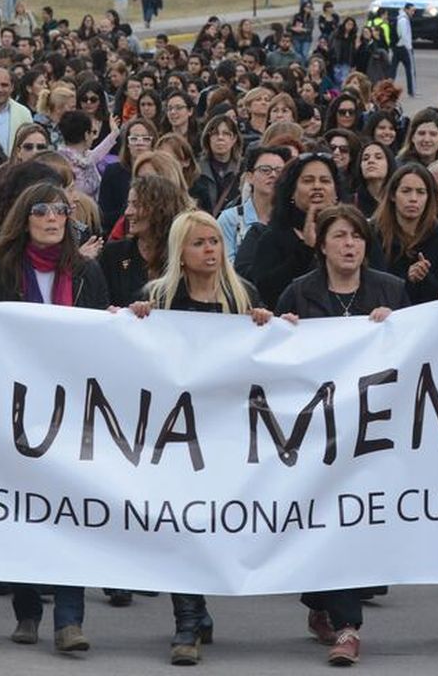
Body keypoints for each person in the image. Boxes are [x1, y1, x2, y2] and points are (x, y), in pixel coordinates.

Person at [0, 182, 109, 653]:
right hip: (16, 412)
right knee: (25, 515)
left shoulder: (88, 273)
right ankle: (27, 609)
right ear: (24, 219)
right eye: (42, 210)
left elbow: (108, 337)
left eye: (60, 211)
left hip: (74, 414)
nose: (52, 218)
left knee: (71, 514)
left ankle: (69, 619)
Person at [127, 209, 269, 663]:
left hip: (226, 432)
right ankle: (186, 621)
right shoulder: (159, 297)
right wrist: (135, 319)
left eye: (214, 241)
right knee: (180, 523)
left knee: (209, 525)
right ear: (181, 254)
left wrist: (266, 326)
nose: (211, 250)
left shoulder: (242, 297)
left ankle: (199, 606)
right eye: (199, 243)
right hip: (174, 434)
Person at [274, 204, 409, 667]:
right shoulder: (299, 293)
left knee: (348, 522)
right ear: (322, 244)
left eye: (357, 236)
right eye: (340, 236)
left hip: (372, 433)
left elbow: (419, 352)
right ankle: (324, 604)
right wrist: (281, 331)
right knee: (321, 521)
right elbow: (273, 362)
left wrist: (400, 327)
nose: (350, 244)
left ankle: (348, 626)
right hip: (317, 434)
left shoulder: (391, 290)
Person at [235, 151, 342, 309]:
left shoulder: (357, 234)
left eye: (325, 181)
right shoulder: (268, 237)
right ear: (291, 191)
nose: (317, 186)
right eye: (308, 181)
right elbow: (266, 293)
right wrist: (306, 250)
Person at [368, 164, 438, 304]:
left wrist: (425, 278)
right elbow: (369, 284)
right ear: (393, 195)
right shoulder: (373, 234)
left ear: (429, 197)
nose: (413, 198)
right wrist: (406, 279)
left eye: (421, 192)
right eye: (406, 191)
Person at [100, 174, 191, 306]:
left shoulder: (183, 256)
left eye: (136, 205)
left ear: (161, 209)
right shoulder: (113, 254)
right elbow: (100, 304)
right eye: (128, 204)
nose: (127, 212)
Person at [217, 146, 287, 260]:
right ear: (250, 177)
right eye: (265, 170)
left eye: (279, 171)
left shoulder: (291, 219)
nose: (273, 175)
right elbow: (226, 266)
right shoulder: (230, 219)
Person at [392, 3, 416, 96]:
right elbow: (404, 35)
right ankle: (412, 90)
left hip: (398, 47)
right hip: (404, 47)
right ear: (406, 10)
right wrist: (409, 47)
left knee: (393, 69)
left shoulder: (401, 18)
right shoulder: (403, 20)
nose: (413, 12)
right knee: (410, 70)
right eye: (412, 10)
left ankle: (387, 87)